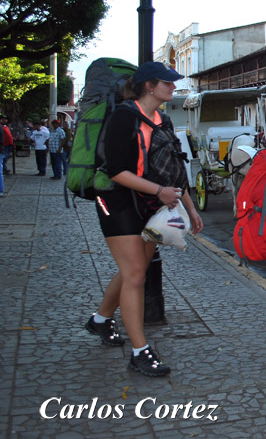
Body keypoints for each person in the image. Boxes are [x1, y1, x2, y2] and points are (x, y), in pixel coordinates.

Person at [84, 61, 203, 377]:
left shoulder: (163, 119)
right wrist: (160, 191)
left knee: (133, 271)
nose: (173, 87)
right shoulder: (124, 117)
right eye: (167, 82)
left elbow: (175, 168)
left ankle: (100, 320)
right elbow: (116, 171)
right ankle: (140, 352)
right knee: (136, 274)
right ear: (149, 86)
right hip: (117, 201)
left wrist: (190, 208)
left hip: (150, 204)